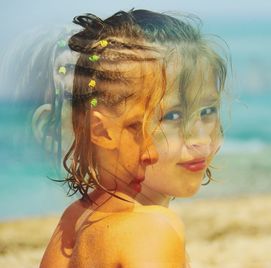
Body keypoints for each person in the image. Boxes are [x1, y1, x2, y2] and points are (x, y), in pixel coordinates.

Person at [40, 8, 228, 267]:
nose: (201, 139)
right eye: (171, 117)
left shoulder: (75, 219)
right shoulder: (154, 229)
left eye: (207, 111)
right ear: (103, 131)